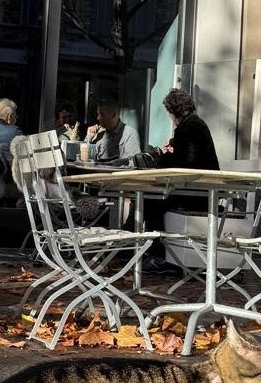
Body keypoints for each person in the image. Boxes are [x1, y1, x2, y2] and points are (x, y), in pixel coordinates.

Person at [140, 88, 219, 267]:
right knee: (150, 199)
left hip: (197, 192)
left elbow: (188, 163)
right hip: (199, 189)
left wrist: (166, 157)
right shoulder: (194, 125)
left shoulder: (190, 127)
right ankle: (150, 250)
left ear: (174, 111)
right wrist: (174, 148)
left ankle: (157, 254)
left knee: (151, 200)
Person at [85, 98, 142, 164]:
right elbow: (85, 158)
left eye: (102, 114)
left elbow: (133, 162)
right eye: (98, 114)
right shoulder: (98, 132)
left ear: (113, 115)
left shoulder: (129, 134)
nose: (98, 118)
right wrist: (89, 138)